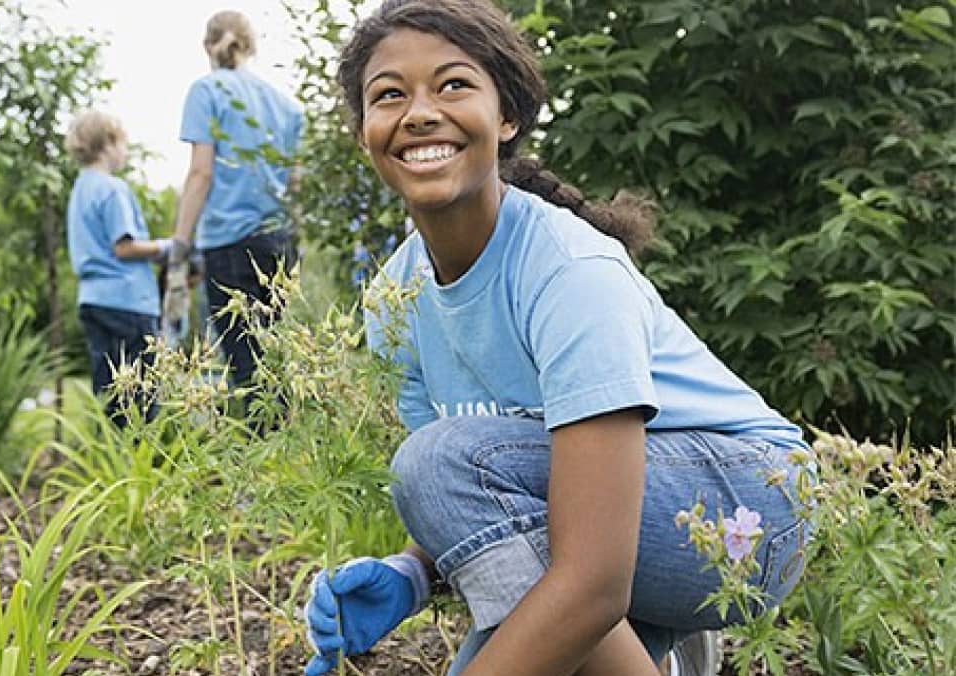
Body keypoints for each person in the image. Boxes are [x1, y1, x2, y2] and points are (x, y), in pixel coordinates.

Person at [302, 2, 811, 675]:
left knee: (441, 470)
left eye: (453, 85)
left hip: (746, 510)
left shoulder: (570, 271)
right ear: (364, 132)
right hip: (616, 519)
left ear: (505, 116)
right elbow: (494, 500)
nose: (419, 112)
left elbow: (587, 575)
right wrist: (412, 573)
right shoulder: (395, 301)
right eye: (389, 95)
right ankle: (666, 655)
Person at [167, 10, 304, 393]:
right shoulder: (286, 106)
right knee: (278, 360)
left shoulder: (206, 91)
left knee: (246, 367)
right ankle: (286, 448)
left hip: (228, 244)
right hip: (278, 244)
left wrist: (180, 243)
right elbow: (295, 181)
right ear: (251, 46)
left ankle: (261, 448)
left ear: (207, 46)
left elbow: (201, 173)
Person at [64, 110, 171, 426]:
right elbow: (124, 247)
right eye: (123, 144)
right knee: (140, 398)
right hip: (128, 302)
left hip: (93, 301)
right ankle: (140, 470)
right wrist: (167, 247)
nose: (125, 151)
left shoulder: (80, 189)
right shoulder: (112, 189)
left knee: (111, 396)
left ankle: (112, 467)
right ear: (108, 144)